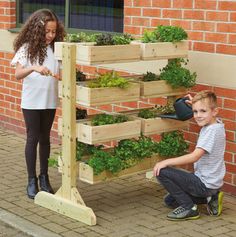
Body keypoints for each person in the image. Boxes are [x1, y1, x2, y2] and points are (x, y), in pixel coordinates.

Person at [11, 9, 66, 199]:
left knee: (45, 139)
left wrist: (60, 76)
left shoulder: (56, 49)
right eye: (47, 32)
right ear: (37, 30)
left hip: (49, 101)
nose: (50, 35)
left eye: (53, 31)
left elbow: (61, 73)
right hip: (32, 101)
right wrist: (33, 67)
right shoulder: (27, 48)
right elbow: (17, 74)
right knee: (32, 138)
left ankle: (44, 177)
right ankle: (31, 180)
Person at [153, 90, 226, 220]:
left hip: (204, 184)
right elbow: (205, 109)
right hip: (211, 183)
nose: (198, 115)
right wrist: (197, 103)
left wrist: (166, 162)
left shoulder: (211, 132)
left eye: (203, 111)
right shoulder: (217, 125)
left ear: (215, 111)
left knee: (161, 171)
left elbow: (194, 157)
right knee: (170, 201)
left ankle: (189, 208)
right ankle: (211, 197)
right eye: (195, 111)